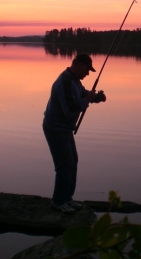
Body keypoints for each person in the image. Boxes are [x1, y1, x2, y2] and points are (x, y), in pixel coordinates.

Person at [43, 53, 106, 213]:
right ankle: (58, 201)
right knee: (64, 165)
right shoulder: (64, 82)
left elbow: (83, 94)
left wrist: (96, 97)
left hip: (64, 129)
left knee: (72, 162)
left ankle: (67, 199)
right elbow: (70, 110)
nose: (87, 74)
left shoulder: (74, 81)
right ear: (77, 64)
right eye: (86, 70)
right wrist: (87, 100)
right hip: (56, 129)